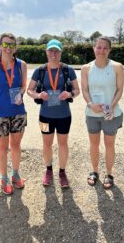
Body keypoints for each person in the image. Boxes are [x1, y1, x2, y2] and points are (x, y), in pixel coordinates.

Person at [27, 39, 80, 188]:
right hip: (45, 116)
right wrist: (38, 96)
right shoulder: (40, 70)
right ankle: (48, 170)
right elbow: (29, 90)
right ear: (46, 52)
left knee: (63, 144)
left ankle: (62, 172)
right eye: (51, 50)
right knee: (46, 144)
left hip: (64, 116)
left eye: (56, 51)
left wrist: (69, 94)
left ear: (61, 53)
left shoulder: (67, 69)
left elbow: (77, 91)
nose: (53, 54)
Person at [0, 33, 27, 195]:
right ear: (0, 46)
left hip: (18, 112)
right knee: (2, 148)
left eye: (11, 45)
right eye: (5, 44)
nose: (8, 48)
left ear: (15, 47)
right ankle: (4, 178)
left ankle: (15, 174)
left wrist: (20, 94)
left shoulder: (21, 65)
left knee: (16, 146)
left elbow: (24, 86)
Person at [81, 36, 124, 189]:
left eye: (105, 48)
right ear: (94, 48)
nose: (101, 51)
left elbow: (119, 90)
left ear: (109, 50)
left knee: (109, 144)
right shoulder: (86, 68)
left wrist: (111, 107)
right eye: (98, 47)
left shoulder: (117, 67)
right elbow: (84, 90)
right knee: (94, 143)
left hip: (111, 113)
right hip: (92, 114)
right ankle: (94, 171)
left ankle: (109, 173)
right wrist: (91, 104)